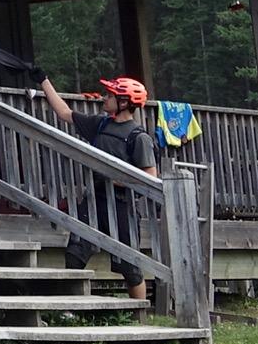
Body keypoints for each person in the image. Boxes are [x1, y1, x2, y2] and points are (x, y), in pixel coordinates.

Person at [25, 72, 159, 301]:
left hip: (122, 205)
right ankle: (70, 308)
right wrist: (44, 81)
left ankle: (140, 317)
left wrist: (116, 179)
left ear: (124, 102)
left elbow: (149, 176)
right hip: (94, 200)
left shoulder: (139, 137)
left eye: (110, 96)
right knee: (75, 254)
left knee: (130, 267)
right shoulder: (100, 124)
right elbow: (65, 113)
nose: (104, 99)